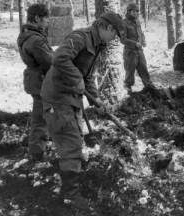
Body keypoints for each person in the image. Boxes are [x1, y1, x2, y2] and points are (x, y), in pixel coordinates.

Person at [41, 11, 125, 211]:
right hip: (58, 96)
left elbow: (87, 77)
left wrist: (97, 101)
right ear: (107, 28)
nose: (115, 39)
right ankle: (69, 195)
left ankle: (71, 176)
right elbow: (60, 58)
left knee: (76, 138)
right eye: (115, 34)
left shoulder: (97, 45)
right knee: (71, 142)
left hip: (72, 97)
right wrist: (76, 80)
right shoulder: (80, 37)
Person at [17, 4, 53, 162]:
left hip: (37, 79)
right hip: (41, 81)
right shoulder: (35, 40)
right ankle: (37, 153)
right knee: (40, 118)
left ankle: (43, 144)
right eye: (46, 18)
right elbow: (49, 61)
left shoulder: (29, 35)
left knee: (45, 115)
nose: (48, 21)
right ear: (37, 18)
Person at [121, 3, 155, 94]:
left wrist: (143, 40)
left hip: (139, 51)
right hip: (130, 52)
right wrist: (134, 43)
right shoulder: (124, 23)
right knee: (130, 73)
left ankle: (150, 88)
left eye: (137, 11)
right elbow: (123, 39)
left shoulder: (137, 21)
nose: (136, 13)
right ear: (129, 12)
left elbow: (141, 33)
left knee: (144, 69)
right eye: (133, 11)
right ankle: (128, 91)